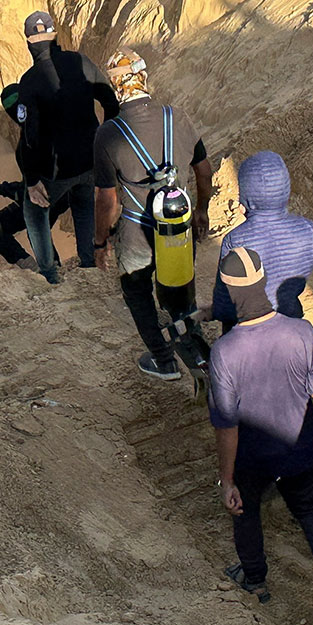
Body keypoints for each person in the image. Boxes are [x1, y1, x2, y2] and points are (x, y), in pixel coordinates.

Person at [209, 247, 313, 624]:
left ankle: (255, 580)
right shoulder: (301, 331)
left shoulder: (224, 352)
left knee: (245, 513)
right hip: (302, 449)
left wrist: (227, 480)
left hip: (252, 458)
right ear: (264, 282)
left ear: (230, 293)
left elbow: (227, 425)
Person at [93, 49, 213, 380]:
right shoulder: (179, 117)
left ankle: (164, 360)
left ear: (117, 88)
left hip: (136, 234)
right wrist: (201, 210)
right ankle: (196, 347)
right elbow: (203, 170)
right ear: (144, 78)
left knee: (137, 293)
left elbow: (106, 197)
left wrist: (100, 241)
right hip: (178, 224)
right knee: (180, 289)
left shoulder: (108, 134)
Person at [16, 11, 120, 283]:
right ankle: (89, 265)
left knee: (34, 210)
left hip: (55, 170)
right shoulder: (81, 61)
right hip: (89, 160)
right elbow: (111, 102)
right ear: (55, 36)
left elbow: (29, 134)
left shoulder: (29, 81)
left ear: (28, 42)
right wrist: (104, 144)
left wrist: (32, 178)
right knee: (84, 206)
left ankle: (50, 275)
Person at [211, 150, 313, 328]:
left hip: (245, 332)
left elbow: (223, 305)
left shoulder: (234, 240)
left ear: (245, 199)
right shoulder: (306, 230)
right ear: (285, 191)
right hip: (290, 324)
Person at [0, 82, 68, 268]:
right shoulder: (51, 121)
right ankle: (51, 269)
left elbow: (33, 189)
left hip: (48, 195)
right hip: (66, 193)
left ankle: (44, 271)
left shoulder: (29, 141)